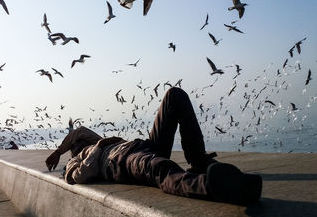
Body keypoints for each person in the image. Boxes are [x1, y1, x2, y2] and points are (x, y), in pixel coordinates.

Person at [46, 87, 262, 205]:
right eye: (80, 143)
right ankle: (210, 185)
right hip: (121, 162)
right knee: (159, 168)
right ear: (76, 149)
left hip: (142, 145)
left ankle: (199, 161)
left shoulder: (94, 141)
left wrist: (59, 150)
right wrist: (89, 151)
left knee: (174, 95)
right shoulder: (76, 161)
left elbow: (78, 131)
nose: (83, 140)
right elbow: (82, 175)